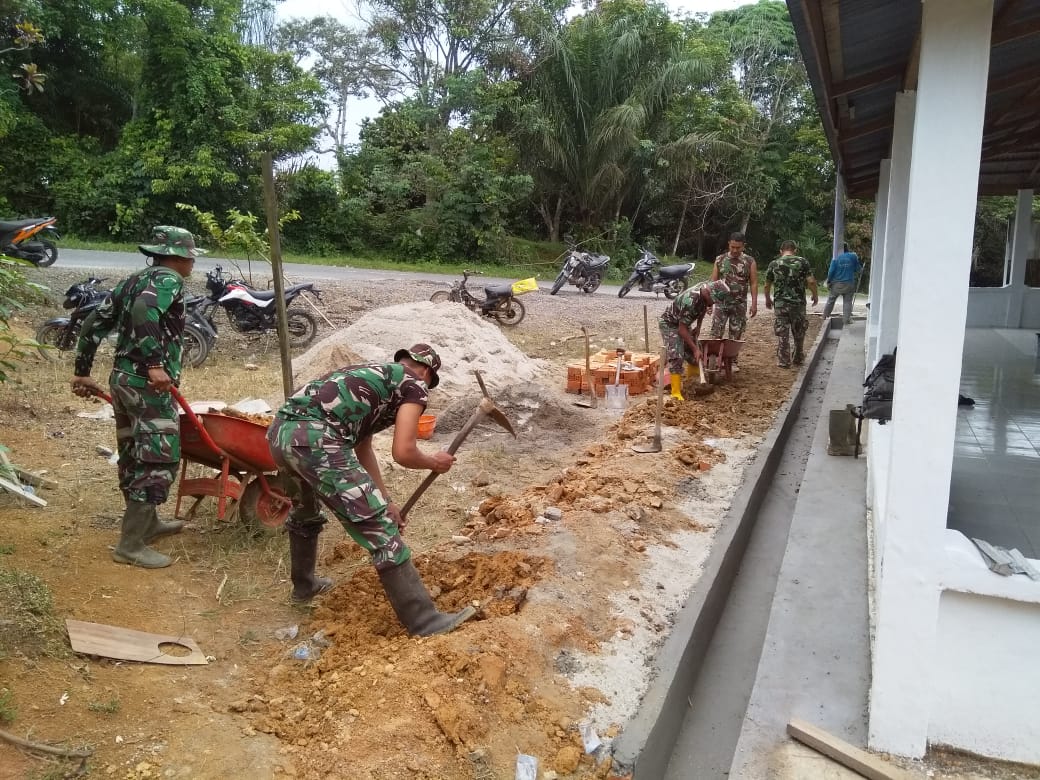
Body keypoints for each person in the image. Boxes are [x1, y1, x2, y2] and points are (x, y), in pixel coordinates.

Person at [266, 344, 476, 637]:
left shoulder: (373, 377)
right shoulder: (415, 384)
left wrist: (386, 500)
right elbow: (403, 451)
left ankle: (305, 586)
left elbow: (362, 445)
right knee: (380, 528)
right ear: (427, 372)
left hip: (280, 435)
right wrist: (433, 461)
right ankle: (425, 622)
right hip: (316, 439)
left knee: (306, 511)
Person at [71, 226, 206, 568]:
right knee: (158, 458)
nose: (192, 263)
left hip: (123, 380)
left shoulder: (131, 281)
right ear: (176, 255)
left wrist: (82, 370)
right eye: (190, 256)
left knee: (133, 451)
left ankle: (147, 525)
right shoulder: (167, 280)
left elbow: (92, 323)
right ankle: (130, 545)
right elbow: (145, 309)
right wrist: (155, 364)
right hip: (147, 385)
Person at [659, 280, 732, 401]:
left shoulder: (705, 291)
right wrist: (694, 348)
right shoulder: (691, 301)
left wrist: (698, 327)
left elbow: (703, 309)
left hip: (683, 321)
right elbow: (682, 331)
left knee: (696, 354)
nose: (713, 303)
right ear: (709, 294)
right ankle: (676, 392)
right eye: (713, 301)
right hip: (670, 324)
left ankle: (692, 382)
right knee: (677, 355)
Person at [764, 240, 818, 368]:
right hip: (798, 303)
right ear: (795, 250)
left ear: (781, 251)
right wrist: (815, 295)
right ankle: (798, 356)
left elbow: (767, 284)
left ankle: (784, 360)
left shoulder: (774, 263)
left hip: (781, 304)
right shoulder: (803, 262)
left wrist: (767, 298)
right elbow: (810, 281)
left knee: (782, 332)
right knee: (799, 330)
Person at [709, 232, 758, 370]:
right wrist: (709, 303)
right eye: (732, 247)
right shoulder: (720, 260)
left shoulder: (749, 261)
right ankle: (714, 360)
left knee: (735, 334)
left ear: (744, 246)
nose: (735, 250)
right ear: (729, 244)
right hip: (721, 303)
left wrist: (754, 304)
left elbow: (754, 283)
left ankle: (732, 362)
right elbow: (713, 281)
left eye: (738, 247)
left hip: (739, 304)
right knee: (716, 333)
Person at [822, 244, 863, 325]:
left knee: (831, 300)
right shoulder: (853, 256)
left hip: (837, 284)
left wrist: (828, 281)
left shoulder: (835, 257)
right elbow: (858, 269)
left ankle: (825, 317)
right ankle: (846, 320)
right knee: (847, 302)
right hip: (849, 283)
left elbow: (831, 271)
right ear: (847, 248)